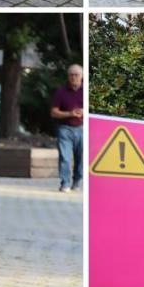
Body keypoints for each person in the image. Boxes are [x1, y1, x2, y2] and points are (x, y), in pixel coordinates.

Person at [50, 64, 85, 192]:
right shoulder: (61, 92)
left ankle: (77, 181)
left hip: (82, 128)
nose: (73, 77)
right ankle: (65, 183)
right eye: (71, 75)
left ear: (82, 76)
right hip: (65, 128)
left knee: (81, 158)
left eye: (76, 75)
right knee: (65, 157)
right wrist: (70, 113)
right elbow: (53, 112)